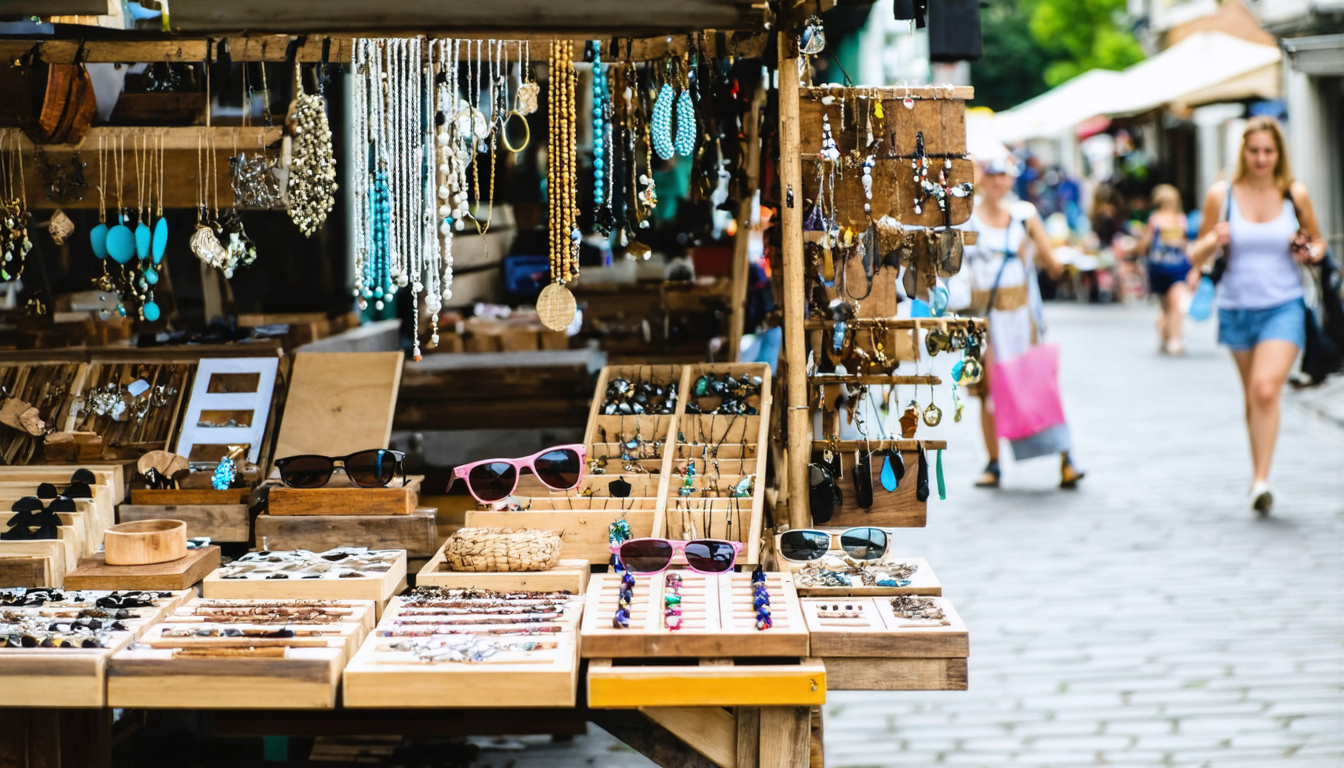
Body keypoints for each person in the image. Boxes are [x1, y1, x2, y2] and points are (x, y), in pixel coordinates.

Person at [1188, 116, 1328, 515]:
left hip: (1283, 305)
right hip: (1236, 308)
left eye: (1269, 151)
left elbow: (1318, 245)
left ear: (1279, 153)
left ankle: (1260, 481)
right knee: (1254, 395)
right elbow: (1194, 255)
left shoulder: (1293, 194)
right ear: (1243, 154)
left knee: (1265, 389)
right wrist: (1215, 240)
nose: (1262, 158)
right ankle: (1258, 473)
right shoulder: (1223, 195)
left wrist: (1307, 250)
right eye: (1255, 151)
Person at [959, 158, 1084, 489]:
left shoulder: (1024, 217)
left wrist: (1062, 257)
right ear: (983, 178)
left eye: (1005, 176)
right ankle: (993, 462)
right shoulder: (968, 219)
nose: (999, 182)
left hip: (1022, 319)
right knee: (989, 391)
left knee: (1039, 384)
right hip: (985, 319)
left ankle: (1065, 458)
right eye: (993, 175)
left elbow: (1052, 265)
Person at [1136, 184, 1192, 355]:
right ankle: (1170, 338)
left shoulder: (1155, 219)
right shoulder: (1180, 219)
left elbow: (1145, 244)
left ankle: (1171, 338)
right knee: (1173, 306)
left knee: (1170, 306)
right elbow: (1186, 245)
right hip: (1175, 266)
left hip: (1161, 268)